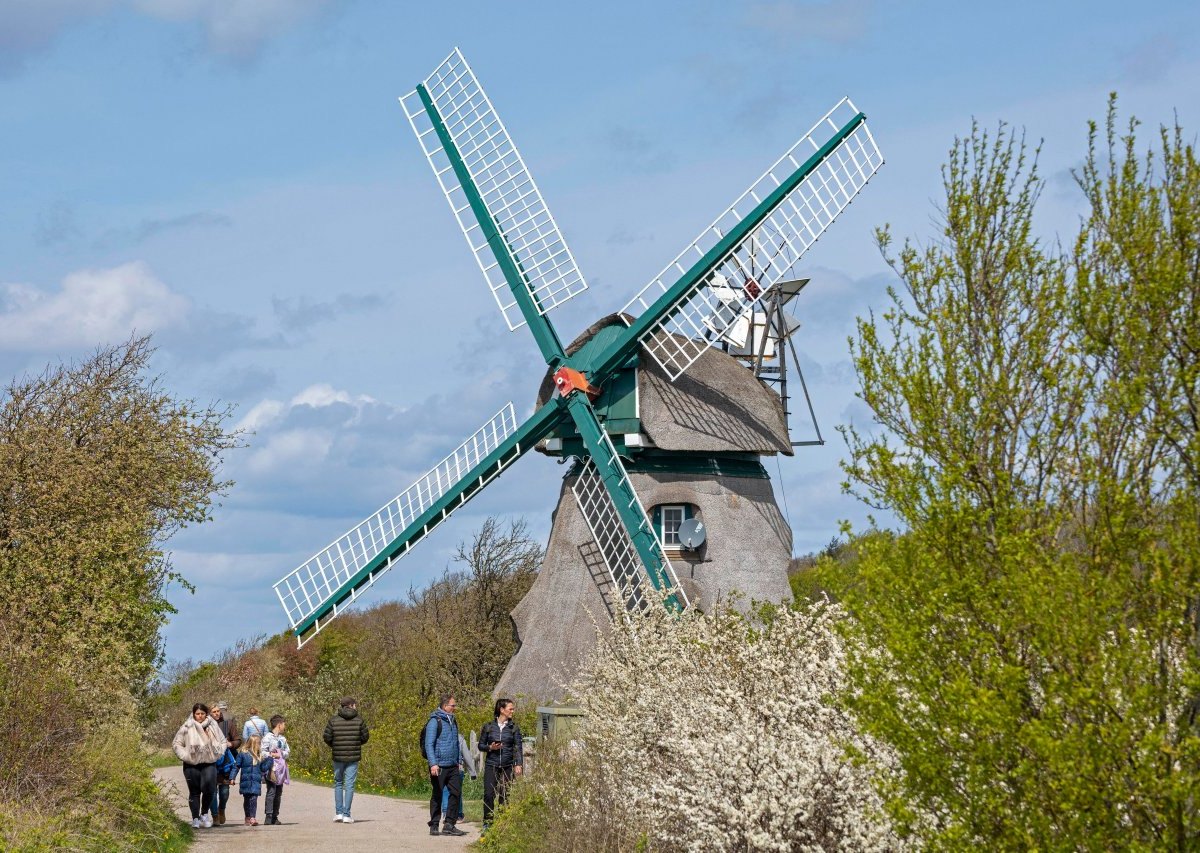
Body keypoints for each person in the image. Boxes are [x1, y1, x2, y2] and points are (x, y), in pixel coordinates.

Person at [171, 702, 227, 829]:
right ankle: (195, 818)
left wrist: (218, 754)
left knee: (209, 790)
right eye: (197, 714)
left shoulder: (213, 725)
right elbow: (176, 743)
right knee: (194, 792)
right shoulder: (187, 726)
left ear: (206, 714)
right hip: (192, 764)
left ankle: (204, 814)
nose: (200, 716)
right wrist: (185, 756)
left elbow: (223, 741)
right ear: (193, 714)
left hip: (209, 762)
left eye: (202, 713)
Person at [423, 693, 466, 837]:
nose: (455, 708)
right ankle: (434, 824)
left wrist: (458, 760)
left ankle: (449, 824)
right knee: (437, 794)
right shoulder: (435, 721)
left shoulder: (453, 720)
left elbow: (455, 743)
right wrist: (433, 763)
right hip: (439, 765)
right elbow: (429, 744)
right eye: (453, 705)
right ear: (445, 706)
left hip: (453, 765)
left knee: (456, 793)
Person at [479, 697, 524, 831]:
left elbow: (517, 747)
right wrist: (490, 748)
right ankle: (488, 823)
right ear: (502, 710)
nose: (513, 711)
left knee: (504, 795)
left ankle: (502, 824)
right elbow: (481, 745)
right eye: (510, 709)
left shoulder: (514, 728)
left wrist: (518, 764)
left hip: (507, 766)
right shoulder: (488, 727)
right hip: (491, 765)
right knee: (488, 794)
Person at [323, 696, 370, 824]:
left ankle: (338, 813)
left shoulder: (333, 720)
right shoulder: (359, 720)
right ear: (351, 705)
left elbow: (327, 737)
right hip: (353, 756)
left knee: (338, 782)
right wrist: (355, 744)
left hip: (337, 756)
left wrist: (335, 745)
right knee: (349, 784)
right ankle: (347, 814)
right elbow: (365, 737)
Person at [236, 734, 273, 826]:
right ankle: (247, 816)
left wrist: (270, 760)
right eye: (259, 743)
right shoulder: (243, 754)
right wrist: (232, 778)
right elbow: (236, 766)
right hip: (246, 782)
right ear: (253, 744)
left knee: (254, 799)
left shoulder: (259, 755)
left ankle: (252, 817)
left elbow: (263, 768)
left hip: (256, 782)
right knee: (247, 799)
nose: (260, 745)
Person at [261, 715, 290, 825]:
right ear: (279, 725)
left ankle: (275, 816)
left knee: (278, 792)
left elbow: (287, 752)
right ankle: (268, 815)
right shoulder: (267, 737)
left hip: (281, 770)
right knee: (271, 791)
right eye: (283, 724)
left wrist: (281, 753)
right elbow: (263, 752)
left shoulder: (283, 739)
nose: (284, 726)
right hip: (271, 769)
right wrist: (271, 754)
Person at [440, 733, 476, 824]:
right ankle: (458, 815)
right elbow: (467, 756)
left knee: (445, 790)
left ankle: (445, 813)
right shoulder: (460, 738)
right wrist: (472, 772)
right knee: (457, 792)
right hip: (458, 768)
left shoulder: (441, 736)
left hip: (443, 767)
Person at [212, 735, 241, 825]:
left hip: (224, 771)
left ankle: (221, 809)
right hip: (211, 770)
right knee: (212, 793)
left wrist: (231, 744)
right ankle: (215, 816)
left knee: (224, 793)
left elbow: (238, 741)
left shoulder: (227, 723)